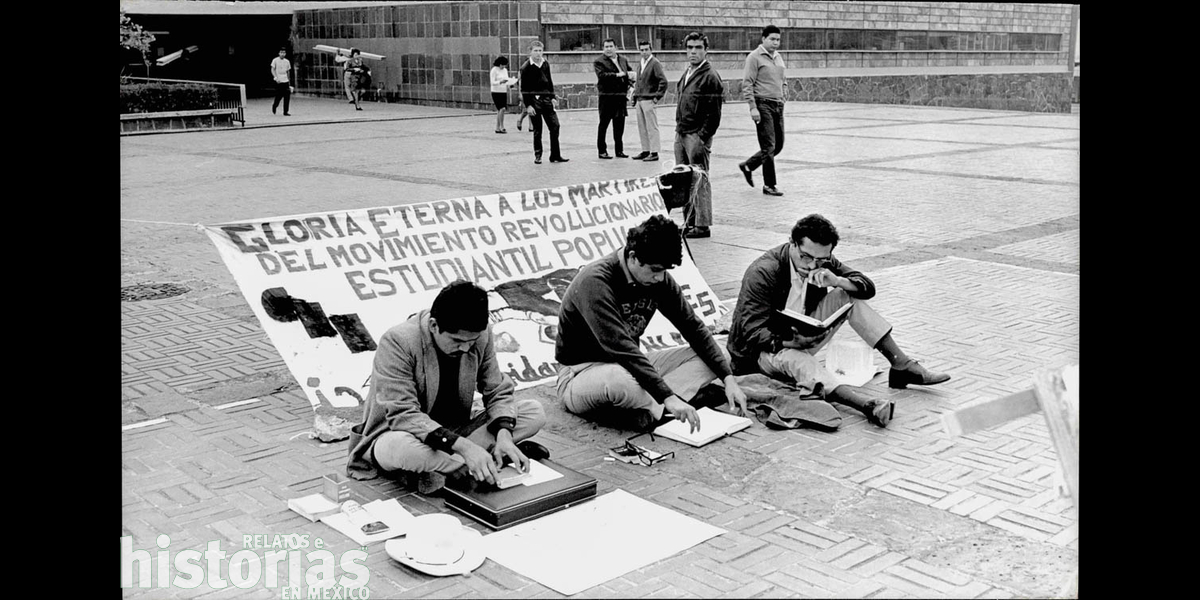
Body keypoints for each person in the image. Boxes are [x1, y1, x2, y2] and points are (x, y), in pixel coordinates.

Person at [727, 214, 952, 428]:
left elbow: (866, 286)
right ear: (792, 244)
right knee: (798, 360)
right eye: (806, 257)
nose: (812, 266)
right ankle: (865, 405)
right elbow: (751, 332)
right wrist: (790, 344)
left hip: (802, 335)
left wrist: (837, 280)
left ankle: (901, 364)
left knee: (849, 297)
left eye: (821, 259)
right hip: (763, 351)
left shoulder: (822, 260)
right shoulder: (764, 272)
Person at [345, 280, 549, 495]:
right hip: (401, 435)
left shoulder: (480, 336)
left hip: (456, 434)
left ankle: (453, 468)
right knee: (401, 447)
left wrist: (504, 435)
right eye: (457, 340)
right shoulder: (398, 341)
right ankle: (471, 465)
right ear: (434, 326)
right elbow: (403, 415)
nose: (465, 347)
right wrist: (466, 448)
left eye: (472, 341)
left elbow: (497, 390)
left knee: (533, 411)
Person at [555, 214, 747, 434]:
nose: (660, 277)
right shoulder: (595, 280)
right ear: (634, 257)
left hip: (631, 366)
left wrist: (728, 378)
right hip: (582, 373)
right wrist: (666, 394)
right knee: (620, 381)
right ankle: (669, 403)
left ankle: (654, 408)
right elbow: (620, 347)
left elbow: (692, 327)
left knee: (722, 356)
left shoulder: (659, 278)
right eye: (655, 270)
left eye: (665, 270)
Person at [674, 32, 723, 239]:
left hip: (696, 136)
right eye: (690, 47)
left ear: (706, 50)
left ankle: (702, 225)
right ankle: (689, 221)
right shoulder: (689, 71)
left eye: (697, 48)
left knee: (699, 180)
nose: (693, 51)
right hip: (682, 132)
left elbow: (714, 114)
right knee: (684, 180)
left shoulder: (710, 75)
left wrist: (702, 137)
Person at [738, 25, 788, 197]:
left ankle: (748, 165)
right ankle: (769, 185)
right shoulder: (754, 57)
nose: (776, 43)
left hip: (778, 105)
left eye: (778, 40)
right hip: (762, 104)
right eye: (772, 39)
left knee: (778, 145)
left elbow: (782, 77)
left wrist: (784, 90)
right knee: (768, 146)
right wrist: (752, 107)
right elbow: (747, 83)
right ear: (763, 39)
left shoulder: (779, 57)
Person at [519, 41, 569, 164]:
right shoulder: (526, 67)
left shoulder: (545, 64)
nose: (538, 53)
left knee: (555, 126)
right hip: (534, 101)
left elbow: (549, 81)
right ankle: (538, 155)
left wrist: (552, 97)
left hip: (546, 99)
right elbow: (524, 89)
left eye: (540, 50)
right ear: (530, 52)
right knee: (538, 130)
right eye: (535, 50)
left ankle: (555, 155)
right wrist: (528, 105)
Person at [594, 39, 633, 159]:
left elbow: (629, 72)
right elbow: (602, 76)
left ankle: (619, 150)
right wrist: (617, 75)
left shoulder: (623, 59)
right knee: (604, 124)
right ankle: (602, 151)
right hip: (607, 97)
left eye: (611, 46)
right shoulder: (599, 61)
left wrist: (631, 80)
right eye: (606, 47)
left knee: (619, 125)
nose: (608, 49)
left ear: (616, 47)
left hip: (620, 97)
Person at [629, 40, 667, 162]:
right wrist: (635, 96)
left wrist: (656, 97)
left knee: (652, 127)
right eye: (642, 50)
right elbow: (639, 82)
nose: (644, 52)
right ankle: (646, 150)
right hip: (640, 99)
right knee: (642, 127)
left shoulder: (655, 63)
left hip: (649, 99)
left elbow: (663, 81)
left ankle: (654, 152)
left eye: (646, 49)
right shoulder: (641, 63)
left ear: (651, 50)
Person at [490, 55, 519, 134]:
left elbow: (507, 79)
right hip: (496, 91)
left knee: (501, 110)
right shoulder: (494, 70)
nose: (503, 67)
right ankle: (501, 126)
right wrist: (500, 82)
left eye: (504, 65)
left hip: (503, 91)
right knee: (501, 108)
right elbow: (492, 82)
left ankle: (497, 127)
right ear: (499, 64)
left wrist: (510, 83)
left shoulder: (505, 70)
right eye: (502, 65)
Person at [270, 47, 292, 116]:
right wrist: (275, 77)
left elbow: (288, 71)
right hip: (279, 80)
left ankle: (285, 111)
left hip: (285, 80)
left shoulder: (287, 61)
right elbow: (272, 69)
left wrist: (289, 81)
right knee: (279, 96)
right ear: (279, 53)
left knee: (287, 96)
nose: (283, 54)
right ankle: (275, 105)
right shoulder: (275, 60)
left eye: (284, 53)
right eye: (281, 52)